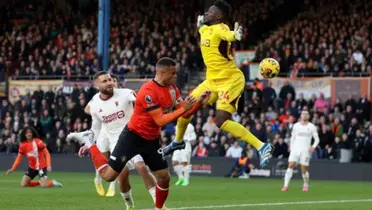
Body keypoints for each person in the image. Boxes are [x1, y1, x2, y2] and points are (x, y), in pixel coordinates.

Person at [74, 57, 211, 210]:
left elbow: (185, 114)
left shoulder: (173, 89)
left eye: (175, 73)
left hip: (151, 139)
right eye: (172, 74)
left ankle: (158, 208)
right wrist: (182, 109)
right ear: (161, 73)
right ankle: (89, 142)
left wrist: (199, 102)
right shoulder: (148, 91)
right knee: (108, 176)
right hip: (132, 137)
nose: (175, 76)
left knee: (164, 177)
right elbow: (161, 120)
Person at [163, 0, 274, 168]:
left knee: (221, 121)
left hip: (230, 80)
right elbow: (202, 28)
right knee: (184, 109)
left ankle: (262, 146)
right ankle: (178, 142)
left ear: (219, 16)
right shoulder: (205, 29)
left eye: (211, 12)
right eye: (206, 11)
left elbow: (228, 35)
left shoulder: (221, 28)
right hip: (212, 81)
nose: (207, 13)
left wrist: (235, 36)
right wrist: (200, 24)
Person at [68, 72, 169, 210]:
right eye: (104, 81)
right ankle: (129, 204)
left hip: (134, 136)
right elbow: (96, 128)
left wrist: (143, 95)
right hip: (117, 143)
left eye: (110, 80)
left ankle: (159, 204)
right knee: (122, 175)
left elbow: (139, 99)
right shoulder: (95, 104)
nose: (109, 83)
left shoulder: (125, 93)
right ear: (96, 85)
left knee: (141, 166)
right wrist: (89, 143)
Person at [281, 110, 320, 192]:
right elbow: (293, 138)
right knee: (291, 165)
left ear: (308, 116)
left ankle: (305, 184)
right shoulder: (296, 126)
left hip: (305, 151)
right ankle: (285, 185)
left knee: (304, 169)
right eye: (303, 114)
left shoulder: (311, 126)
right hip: (295, 149)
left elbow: (317, 139)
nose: (305, 115)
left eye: (306, 114)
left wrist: (313, 146)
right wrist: (291, 147)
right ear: (301, 116)